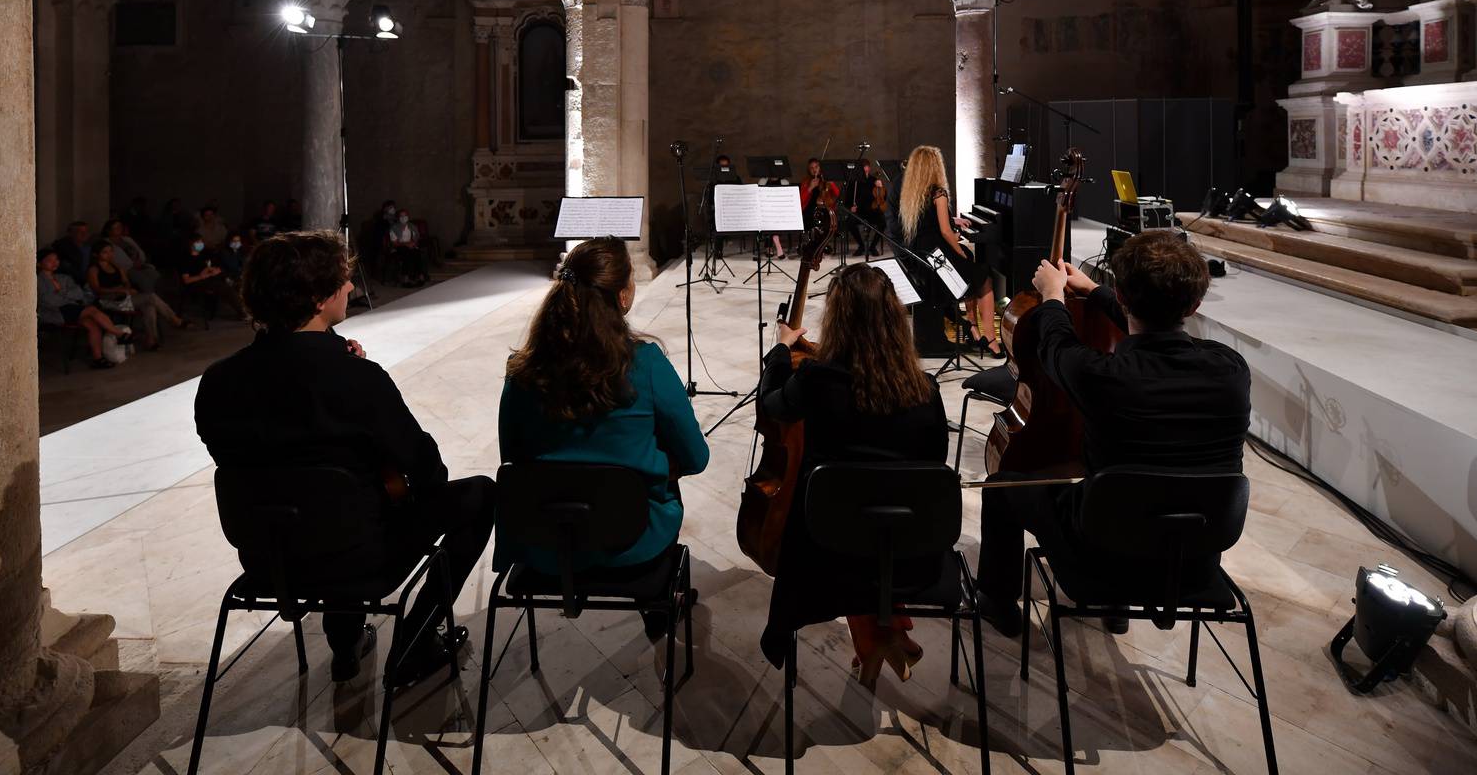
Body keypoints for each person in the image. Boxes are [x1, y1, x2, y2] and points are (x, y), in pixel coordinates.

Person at [195, 230, 495, 686]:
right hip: (358, 559)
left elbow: (259, 463)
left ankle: (346, 642)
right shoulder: (357, 378)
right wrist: (357, 384)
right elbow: (427, 471)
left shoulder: (217, 381)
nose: (351, 288)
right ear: (318, 298)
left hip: (266, 559)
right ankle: (414, 643)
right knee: (478, 496)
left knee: (320, 502)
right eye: (343, 281)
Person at [971, 230, 1250, 636]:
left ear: (1121, 296)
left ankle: (996, 602)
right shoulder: (1231, 370)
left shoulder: (1103, 377)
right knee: (1136, 494)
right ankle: (1116, 610)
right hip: (1195, 560)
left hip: (1101, 559)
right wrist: (1097, 292)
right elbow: (1155, 327)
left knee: (1000, 488)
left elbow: (1055, 343)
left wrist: (1053, 296)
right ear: (1195, 305)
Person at [497, 238, 709, 637]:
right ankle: (657, 606)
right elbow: (695, 457)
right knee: (665, 481)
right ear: (624, 296)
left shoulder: (522, 371)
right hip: (631, 543)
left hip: (544, 544)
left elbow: (513, 455)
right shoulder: (645, 364)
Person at [758, 264, 948, 685]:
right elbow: (934, 469)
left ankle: (879, 638)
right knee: (876, 513)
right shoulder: (927, 391)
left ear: (836, 319)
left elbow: (771, 405)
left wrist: (780, 350)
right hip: (910, 556)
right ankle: (884, 634)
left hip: (825, 556)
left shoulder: (816, 380)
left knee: (849, 514)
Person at [897, 145, 996, 350]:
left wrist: (953, 222)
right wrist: (960, 252)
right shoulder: (938, 193)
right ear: (935, 167)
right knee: (983, 277)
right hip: (939, 261)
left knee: (968, 269)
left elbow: (929, 222)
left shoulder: (913, 195)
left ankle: (973, 331)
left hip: (923, 258)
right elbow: (945, 232)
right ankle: (991, 339)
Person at [37, 248, 131, 368]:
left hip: (72, 309)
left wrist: (60, 293)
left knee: (92, 324)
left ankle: (98, 359)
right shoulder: (37, 281)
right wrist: (66, 295)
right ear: (39, 263)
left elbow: (78, 293)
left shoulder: (63, 277)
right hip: (55, 312)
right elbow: (49, 301)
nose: (55, 262)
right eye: (50, 260)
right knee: (91, 310)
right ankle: (118, 334)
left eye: (56, 259)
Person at [101, 218, 188, 335]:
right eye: (106, 252)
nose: (109, 254)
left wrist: (128, 284)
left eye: (120, 227)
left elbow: (139, 253)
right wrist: (122, 288)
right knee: (149, 296)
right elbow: (98, 289)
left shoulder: (126, 241)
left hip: (127, 289)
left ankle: (152, 339)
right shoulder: (96, 268)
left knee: (152, 293)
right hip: (112, 299)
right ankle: (173, 319)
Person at [179, 232, 238, 323]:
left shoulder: (202, 255)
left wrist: (213, 270)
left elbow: (206, 267)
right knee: (225, 288)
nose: (201, 244)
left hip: (207, 279)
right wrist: (203, 276)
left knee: (227, 279)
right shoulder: (185, 259)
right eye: (198, 242)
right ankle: (243, 312)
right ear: (191, 243)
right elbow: (187, 280)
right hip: (196, 283)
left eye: (201, 241)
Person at [387, 210, 425, 286]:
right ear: (398, 217)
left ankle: (420, 276)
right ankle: (405, 278)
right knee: (407, 253)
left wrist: (413, 243)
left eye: (405, 215)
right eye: (401, 216)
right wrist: (406, 244)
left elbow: (416, 238)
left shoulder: (412, 226)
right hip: (399, 247)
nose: (403, 217)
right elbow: (394, 243)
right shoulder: (394, 227)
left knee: (417, 252)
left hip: (410, 245)